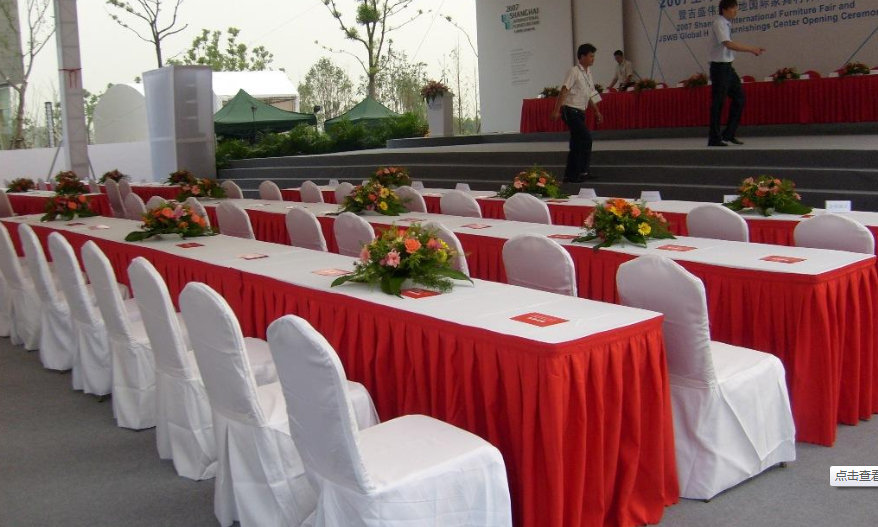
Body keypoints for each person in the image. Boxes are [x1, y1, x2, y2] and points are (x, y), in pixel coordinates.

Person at [708, 0, 765, 146]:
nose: (736, 11)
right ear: (725, 9)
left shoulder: (727, 23)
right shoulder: (719, 23)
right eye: (733, 8)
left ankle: (728, 134)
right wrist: (751, 49)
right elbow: (728, 44)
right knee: (718, 102)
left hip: (727, 67)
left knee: (739, 98)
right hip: (719, 68)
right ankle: (714, 138)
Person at [551, 43, 603, 183]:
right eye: (591, 56)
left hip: (580, 111)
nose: (593, 59)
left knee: (577, 142)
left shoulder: (588, 73)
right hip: (570, 110)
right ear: (582, 56)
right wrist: (556, 110)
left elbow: (590, 93)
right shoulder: (574, 71)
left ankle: (574, 174)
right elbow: (564, 90)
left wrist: (597, 111)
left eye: (593, 56)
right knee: (585, 138)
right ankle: (578, 172)